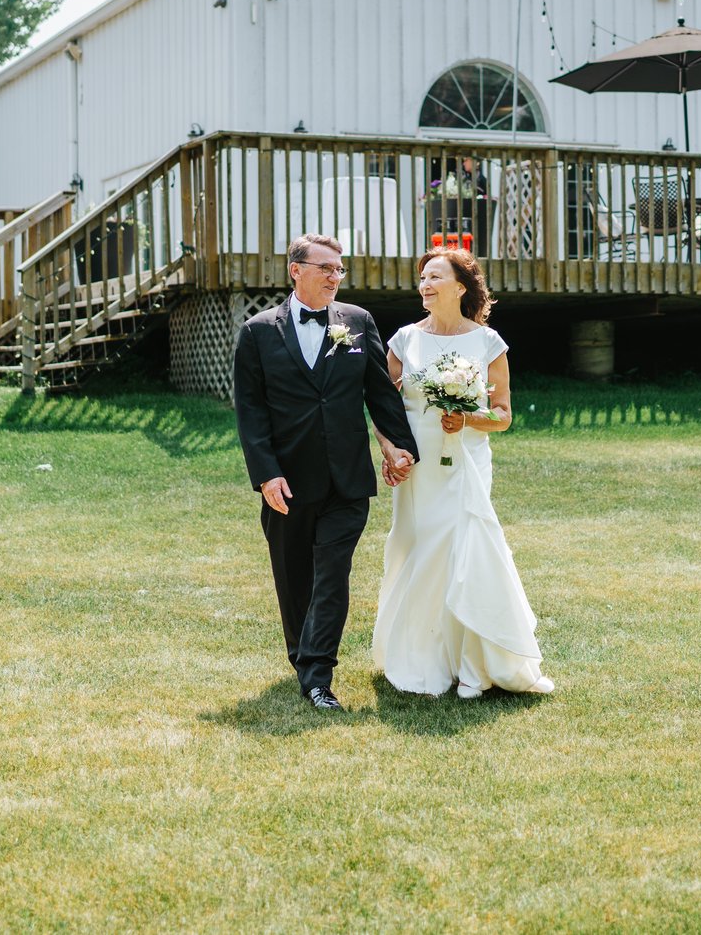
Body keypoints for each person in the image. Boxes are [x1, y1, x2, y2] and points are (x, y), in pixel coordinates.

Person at [233, 234, 418, 712]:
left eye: (340, 270)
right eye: (326, 269)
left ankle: (318, 676)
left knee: (332, 574)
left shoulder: (357, 322)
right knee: (295, 580)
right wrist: (266, 474)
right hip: (288, 483)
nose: (336, 277)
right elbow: (250, 413)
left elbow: (380, 391)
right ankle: (303, 658)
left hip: (346, 480)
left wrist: (402, 448)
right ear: (295, 271)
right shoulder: (257, 332)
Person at [373, 247, 555, 699]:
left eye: (435, 276)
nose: (426, 285)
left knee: (465, 548)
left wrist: (467, 417)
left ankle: (476, 662)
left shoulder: (488, 343)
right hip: (418, 464)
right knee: (420, 547)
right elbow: (383, 408)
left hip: (468, 461)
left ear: (460, 286)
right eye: (422, 278)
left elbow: (504, 415)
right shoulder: (403, 341)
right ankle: (426, 656)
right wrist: (390, 451)